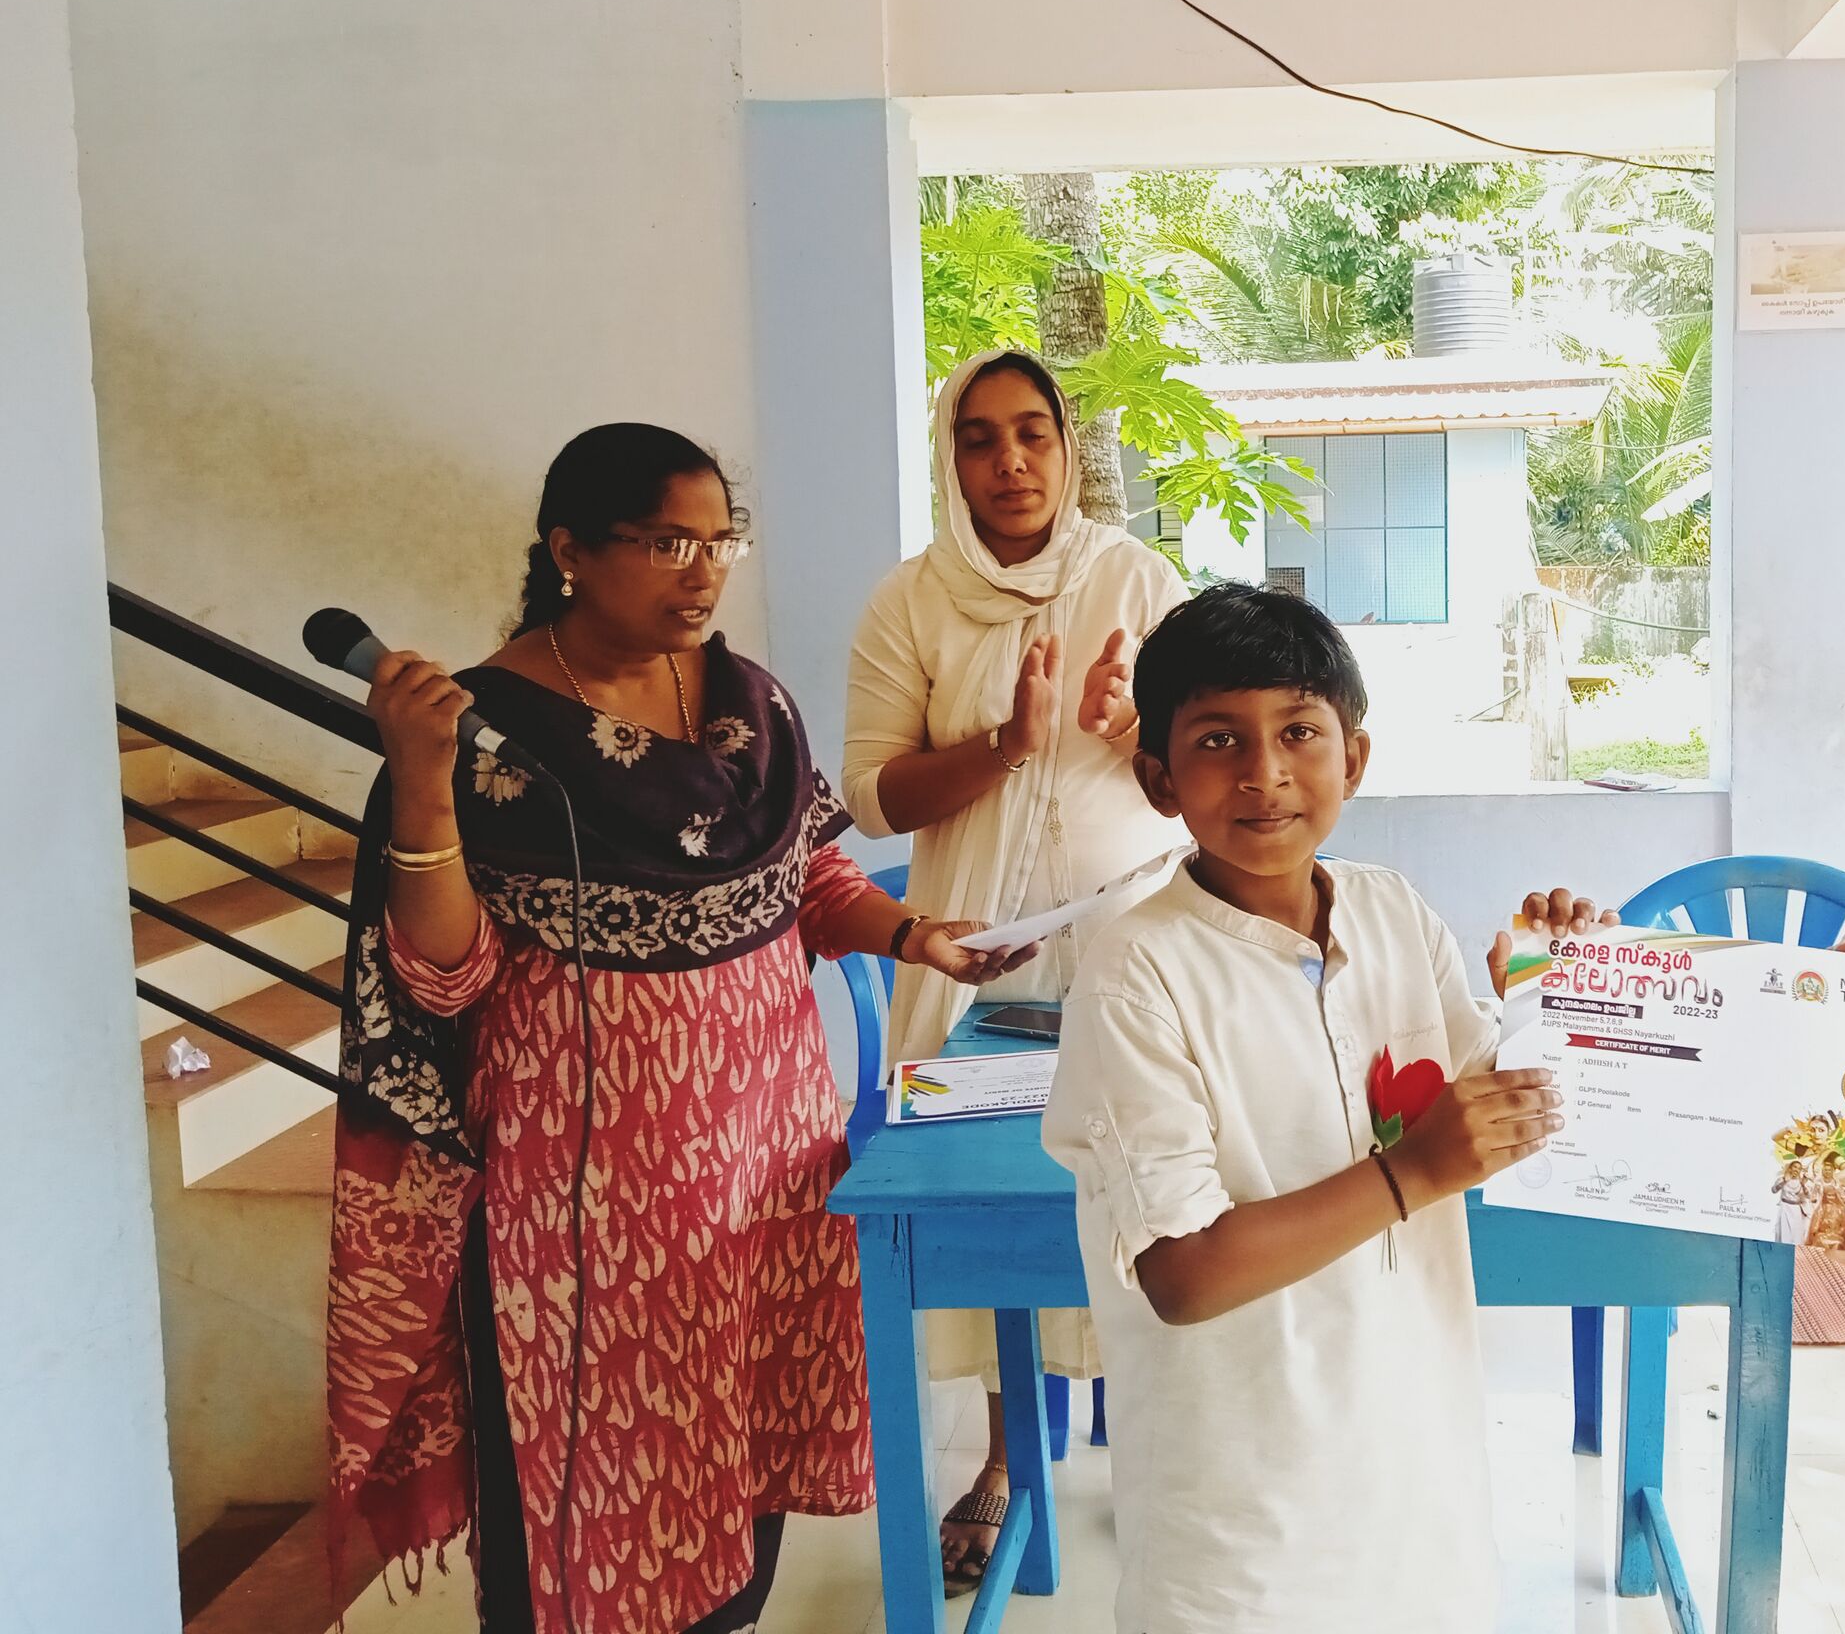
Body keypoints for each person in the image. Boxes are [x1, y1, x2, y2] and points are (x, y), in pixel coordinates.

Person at [324, 424, 1030, 1634]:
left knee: (735, 1448)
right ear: (569, 551)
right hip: (590, 1200)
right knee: (591, 1478)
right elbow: (442, 978)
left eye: (719, 541)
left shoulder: (750, 701)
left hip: (765, 1160)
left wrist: (916, 936)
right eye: (665, 543)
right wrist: (425, 783)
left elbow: (808, 877)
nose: (702, 573)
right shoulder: (485, 736)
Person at [1041, 582, 1608, 1632]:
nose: (1264, 772)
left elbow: (1494, 1110)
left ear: (1354, 757)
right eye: (1218, 740)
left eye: (1299, 731)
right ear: (1158, 779)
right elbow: (1184, 1272)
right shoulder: (1135, 972)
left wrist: (1557, 997)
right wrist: (1411, 1173)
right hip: (1242, 1523)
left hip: (1415, 1474)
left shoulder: (1392, 913)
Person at [841, 347, 1189, 1589]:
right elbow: (872, 798)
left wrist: (1131, 732)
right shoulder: (911, 601)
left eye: (1031, 432)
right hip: (973, 954)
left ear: (1065, 446)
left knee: (1147, 1185)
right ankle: (1002, 1461)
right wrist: (1005, 745)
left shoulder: (1138, 581)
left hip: (1135, 946)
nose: (1010, 461)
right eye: (979, 438)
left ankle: (1161, 1449)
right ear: (951, 458)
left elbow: (1194, 779)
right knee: (993, 1202)